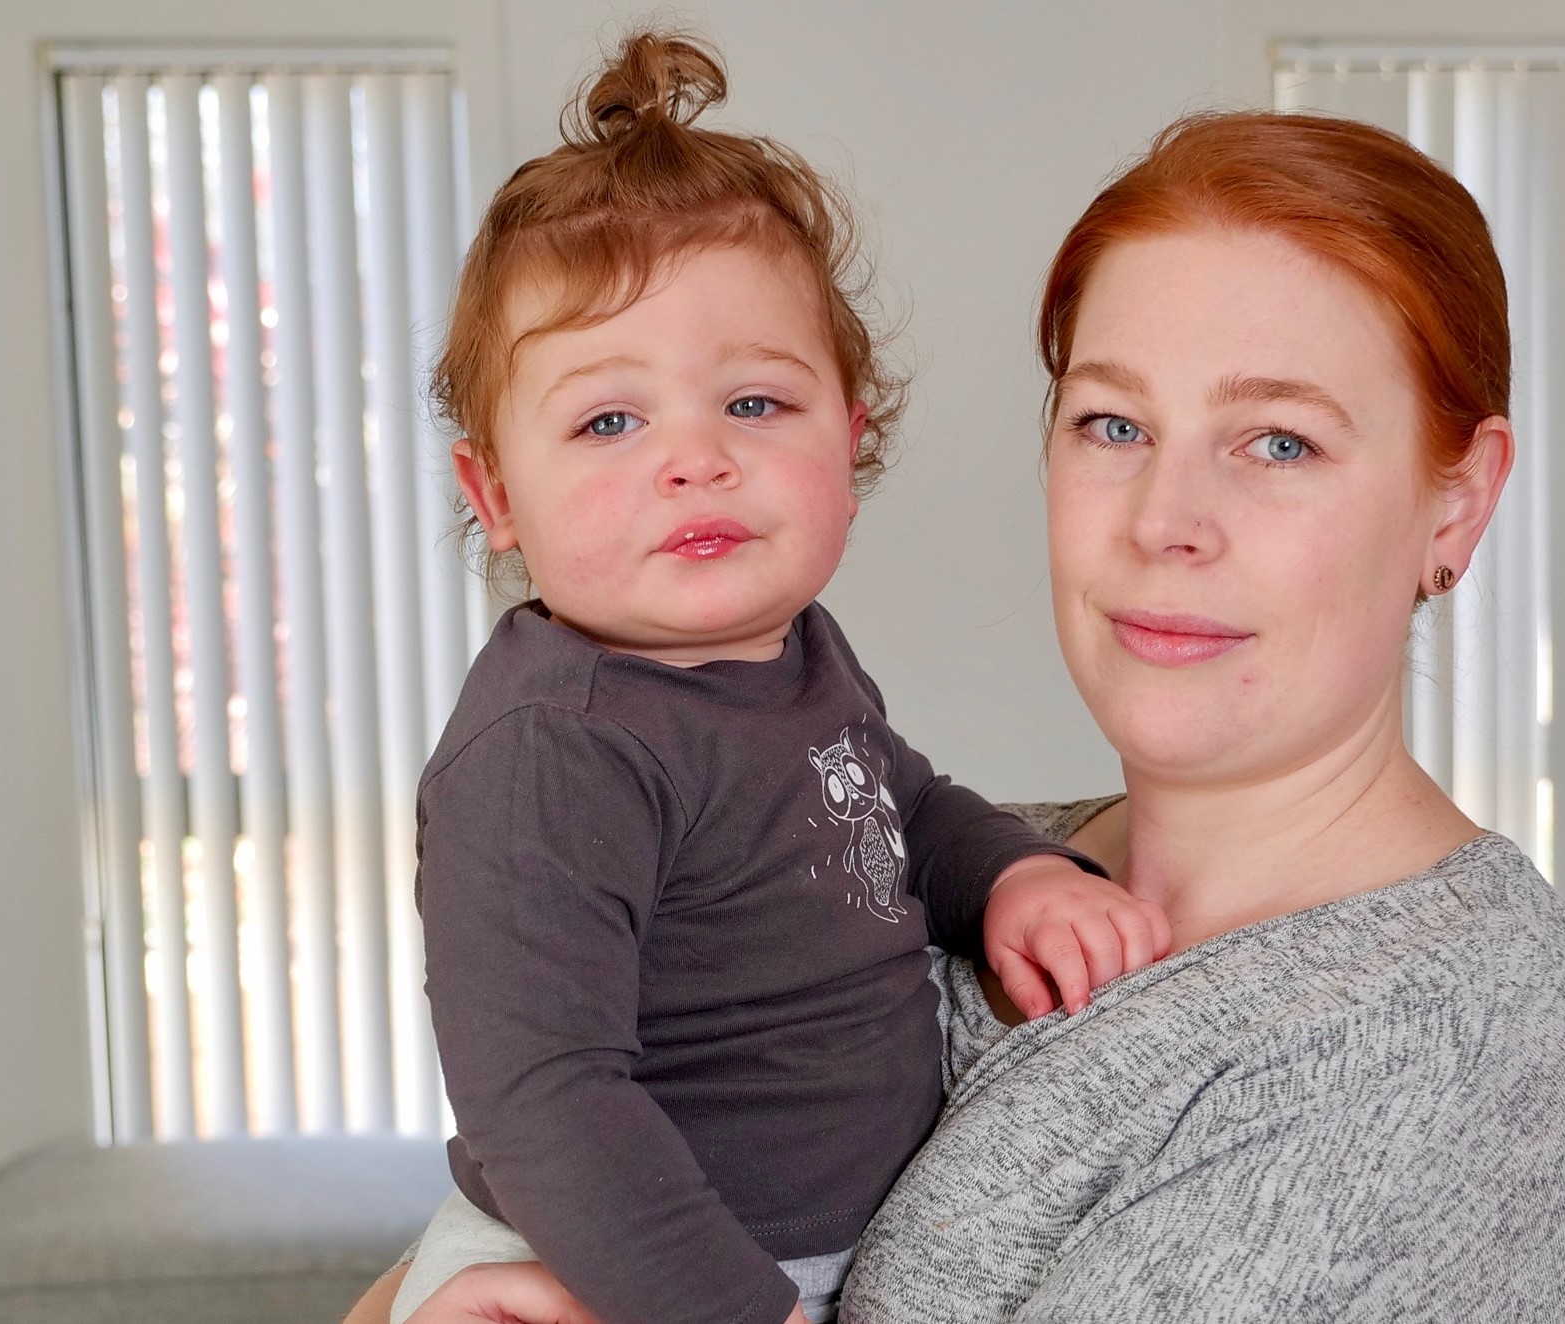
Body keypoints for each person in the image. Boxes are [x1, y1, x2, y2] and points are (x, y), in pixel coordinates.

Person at [359, 101, 1565, 1324]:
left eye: (1278, 442)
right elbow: (550, 1122)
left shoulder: (1470, 1050)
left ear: (1458, 499)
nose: (1164, 522)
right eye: (1111, 423)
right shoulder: (846, 842)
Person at [397, 29, 1170, 1324]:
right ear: (495, 495)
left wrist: (1013, 878)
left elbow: (895, 807)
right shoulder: (554, 750)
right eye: (607, 421)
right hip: (628, 1275)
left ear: (850, 437)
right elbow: (545, 1100)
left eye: (754, 405)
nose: (694, 457)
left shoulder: (795, 652)